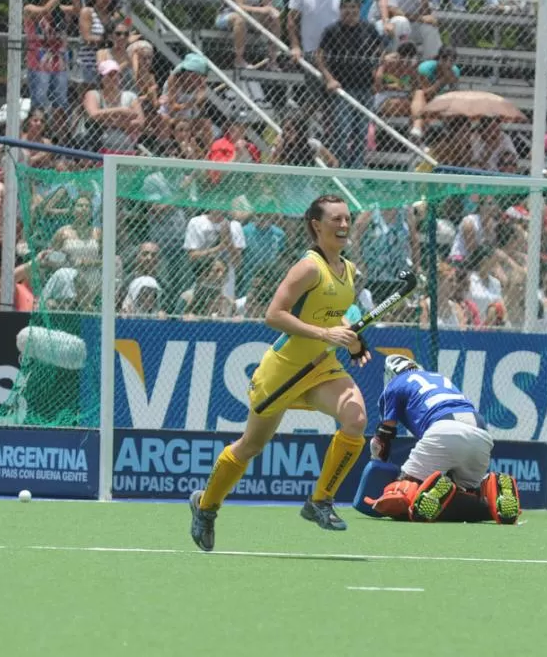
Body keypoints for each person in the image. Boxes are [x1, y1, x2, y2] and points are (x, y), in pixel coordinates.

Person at [189, 195, 372, 552]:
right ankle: (206, 506)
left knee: (356, 417)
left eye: (347, 219)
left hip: (321, 368)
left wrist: (352, 340)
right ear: (316, 226)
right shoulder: (308, 268)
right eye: (335, 219)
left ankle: (320, 501)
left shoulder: (348, 271)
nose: (344, 225)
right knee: (251, 446)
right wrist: (325, 334)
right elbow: (274, 315)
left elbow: (333, 316)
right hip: (283, 372)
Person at [354, 354, 521, 525]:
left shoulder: (394, 385)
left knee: (401, 496)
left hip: (444, 429)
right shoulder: (440, 378)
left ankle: (425, 490)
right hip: (481, 434)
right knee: (468, 493)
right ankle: (489, 491)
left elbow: (382, 439)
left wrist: (379, 462)